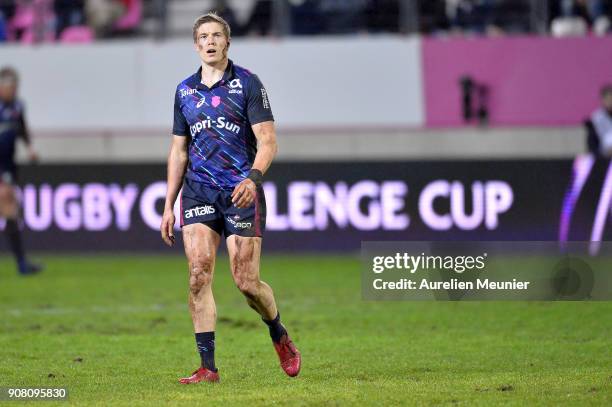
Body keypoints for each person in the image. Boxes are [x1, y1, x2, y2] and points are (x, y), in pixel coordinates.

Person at [160, 12, 301, 384]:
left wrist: (253, 179)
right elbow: (179, 151)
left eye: (216, 36)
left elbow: (268, 140)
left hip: (240, 192)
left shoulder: (248, 85)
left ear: (227, 42)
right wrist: (168, 204)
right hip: (198, 191)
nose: (209, 41)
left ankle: (277, 332)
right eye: (203, 36)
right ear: (196, 45)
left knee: (246, 282)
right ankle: (208, 367)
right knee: (197, 275)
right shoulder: (184, 91)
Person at [0, 67, 41, 275]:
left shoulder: (17, 106)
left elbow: (22, 130)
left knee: (11, 210)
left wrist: (30, 148)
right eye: (9, 86)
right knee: (8, 204)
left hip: (8, 166)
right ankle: (22, 263)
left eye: (15, 86)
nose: (12, 90)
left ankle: (21, 262)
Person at [586, 84, 612, 157]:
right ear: (602, 100)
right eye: (608, 99)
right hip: (603, 156)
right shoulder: (596, 118)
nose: (610, 102)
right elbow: (592, 142)